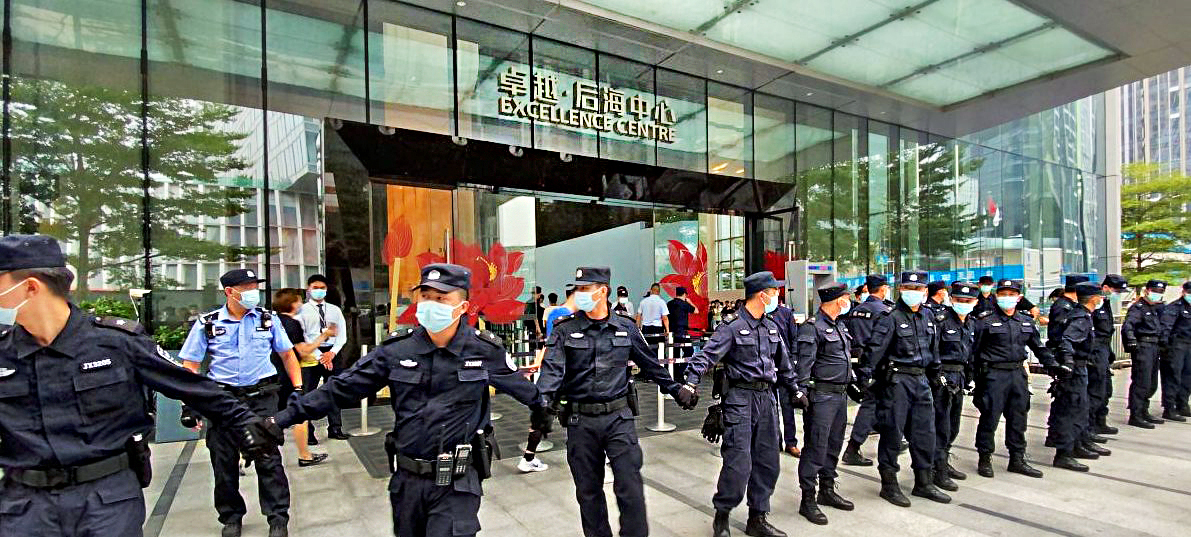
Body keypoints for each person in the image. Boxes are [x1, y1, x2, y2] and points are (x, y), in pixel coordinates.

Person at [0, 235, 280, 537]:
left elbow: (191, 385)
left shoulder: (116, 343)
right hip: (24, 505)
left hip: (105, 499)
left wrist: (247, 423)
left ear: (30, 287)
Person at [274, 263, 550, 537]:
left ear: (463, 307)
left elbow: (523, 389)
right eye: (426, 296)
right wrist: (280, 420)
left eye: (441, 298)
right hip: (407, 481)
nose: (431, 304)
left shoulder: (483, 350)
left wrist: (543, 411)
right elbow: (340, 389)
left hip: (458, 481)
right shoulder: (397, 350)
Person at [538, 266, 689, 537]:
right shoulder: (565, 330)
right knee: (588, 492)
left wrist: (677, 390)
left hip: (618, 419)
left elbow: (650, 364)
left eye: (585, 289)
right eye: (578, 289)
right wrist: (542, 403)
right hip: (580, 421)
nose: (579, 294)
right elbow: (551, 370)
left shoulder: (625, 328)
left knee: (630, 487)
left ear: (602, 291)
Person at [178, 268, 305, 537]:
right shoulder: (208, 323)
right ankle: (231, 517)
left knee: (269, 458)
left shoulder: (268, 320)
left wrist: (298, 388)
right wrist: (189, 403)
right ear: (229, 292)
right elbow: (190, 363)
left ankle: (277, 517)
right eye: (246, 288)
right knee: (223, 461)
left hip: (261, 397)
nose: (253, 293)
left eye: (254, 287)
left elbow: (288, 356)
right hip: (222, 399)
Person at [683, 271, 799, 537]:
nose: (777, 297)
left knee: (769, 461)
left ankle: (757, 518)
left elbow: (784, 364)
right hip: (740, 400)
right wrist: (690, 382)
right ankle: (722, 517)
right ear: (763, 294)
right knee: (738, 464)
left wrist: (796, 390)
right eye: (774, 292)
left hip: (767, 400)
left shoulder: (771, 326)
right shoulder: (732, 326)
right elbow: (706, 356)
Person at [857, 271, 951, 507]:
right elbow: (873, 353)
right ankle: (889, 485)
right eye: (909, 287)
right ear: (901, 289)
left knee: (925, 434)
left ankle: (924, 482)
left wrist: (936, 377)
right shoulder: (889, 317)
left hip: (921, 382)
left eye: (919, 289)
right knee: (892, 434)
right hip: (896, 383)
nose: (914, 292)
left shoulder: (928, 316)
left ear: (925, 292)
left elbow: (934, 351)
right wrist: (866, 381)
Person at [971, 278, 1058, 479]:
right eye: (1003, 294)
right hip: (993, 376)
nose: (1007, 298)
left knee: (1018, 417)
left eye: (1011, 295)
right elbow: (974, 352)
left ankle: (1017, 458)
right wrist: (975, 379)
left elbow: (1039, 347)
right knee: (989, 418)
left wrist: (1053, 365)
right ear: (996, 296)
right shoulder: (985, 321)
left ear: (1019, 298)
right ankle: (985, 458)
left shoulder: (1026, 321)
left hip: (1018, 375)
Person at [794, 282, 855, 526]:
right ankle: (807, 499)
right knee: (816, 446)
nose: (848, 301)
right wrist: (799, 393)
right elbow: (804, 365)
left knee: (833, 445)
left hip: (840, 396)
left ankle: (827, 490)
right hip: (821, 397)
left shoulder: (839, 325)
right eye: (846, 297)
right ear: (836, 300)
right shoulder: (813, 327)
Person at [1049, 282, 1110, 472]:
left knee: (1080, 408)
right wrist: (1068, 363)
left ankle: (1077, 444)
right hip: (1075, 370)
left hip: (1081, 367)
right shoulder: (1080, 318)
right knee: (1072, 410)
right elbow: (1067, 341)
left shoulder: (1082, 315)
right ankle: (1064, 454)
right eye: (1100, 296)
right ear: (1094, 299)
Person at [518, 285, 578, 474]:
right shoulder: (569, 316)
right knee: (572, 411)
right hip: (565, 371)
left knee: (546, 412)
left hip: (554, 370)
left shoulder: (553, 313)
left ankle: (528, 457)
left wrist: (539, 361)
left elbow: (548, 341)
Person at [272, 289, 334, 467]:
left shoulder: (273, 321)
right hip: (289, 375)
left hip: (272, 375)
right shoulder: (292, 324)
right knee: (300, 414)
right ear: (291, 303)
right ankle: (304, 455)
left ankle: (242, 456)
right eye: (299, 301)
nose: (301, 304)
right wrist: (324, 336)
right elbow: (302, 351)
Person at [841, 274, 893, 467]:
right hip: (877, 365)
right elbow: (880, 343)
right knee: (871, 405)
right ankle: (853, 448)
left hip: (859, 363)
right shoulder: (883, 311)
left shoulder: (857, 310)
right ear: (883, 289)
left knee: (878, 404)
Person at [931, 282, 978, 492]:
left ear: (975, 303)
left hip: (959, 377)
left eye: (968, 301)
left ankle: (944, 461)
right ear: (951, 299)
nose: (963, 304)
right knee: (941, 426)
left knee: (954, 425)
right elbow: (932, 351)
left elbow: (970, 353)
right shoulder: (940, 321)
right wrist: (937, 376)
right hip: (942, 377)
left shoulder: (971, 323)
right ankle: (937, 469)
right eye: (959, 300)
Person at [298, 274, 350, 442]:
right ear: (308, 289)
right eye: (315, 288)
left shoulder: (334, 310)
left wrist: (332, 353)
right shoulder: (302, 311)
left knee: (334, 391)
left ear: (326, 290)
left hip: (333, 353)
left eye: (322, 288)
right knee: (308, 393)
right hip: (311, 353)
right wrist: (320, 356)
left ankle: (335, 428)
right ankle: (309, 432)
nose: (319, 291)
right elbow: (302, 336)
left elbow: (342, 335)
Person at [1043, 274, 1089, 446]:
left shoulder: (1072, 306)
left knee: (1072, 401)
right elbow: (1063, 337)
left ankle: (1073, 438)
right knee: (1068, 402)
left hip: (1073, 358)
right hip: (1065, 359)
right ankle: (1061, 439)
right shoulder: (1064, 307)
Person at [1122, 279, 1168, 428]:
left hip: (1154, 346)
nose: (1158, 294)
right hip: (1144, 346)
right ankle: (1136, 414)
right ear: (1147, 290)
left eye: (1160, 292)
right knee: (1142, 381)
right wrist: (1131, 341)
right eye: (1155, 291)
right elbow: (1128, 325)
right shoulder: (1138, 308)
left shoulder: (1155, 308)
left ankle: (1144, 410)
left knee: (1152, 382)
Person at [1089, 275, 1128, 435]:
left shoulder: (1104, 303)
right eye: (1116, 290)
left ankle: (1100, 421)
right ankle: (1089, 426)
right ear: (1105, 288)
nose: (1117, 294)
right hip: (1095, 351)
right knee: (1095, 390)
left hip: (1104, 350)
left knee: (1106, 389)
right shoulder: (1094, 305)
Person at [771, 295, 801, 457]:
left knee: (787, 406)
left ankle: (791, 442)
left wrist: (794, 360)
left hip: (785, 367)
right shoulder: (760, 314)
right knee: (771, 408)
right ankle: (775, 441)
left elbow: (794, 337)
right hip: (767, 367)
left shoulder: (786, 313)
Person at [1159, 281, 1191, 421]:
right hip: (1176, 345)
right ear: (1183, 292)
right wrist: (1165, 346)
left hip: (1189, 346)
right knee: (1173, 376)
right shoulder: (1174, 307)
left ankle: (1182, 404)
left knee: (1187, 377)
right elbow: (1166, 327)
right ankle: (1169, 408)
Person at [666, 286, 698, 383]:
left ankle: (675, 374)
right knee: (689, 351)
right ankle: (680, 373)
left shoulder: (669, 303)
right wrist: (689, 302)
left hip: (672, 332)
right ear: (685, 294)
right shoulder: (684, 304)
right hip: (682, 333)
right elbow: (696, 311)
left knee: (674, 354)